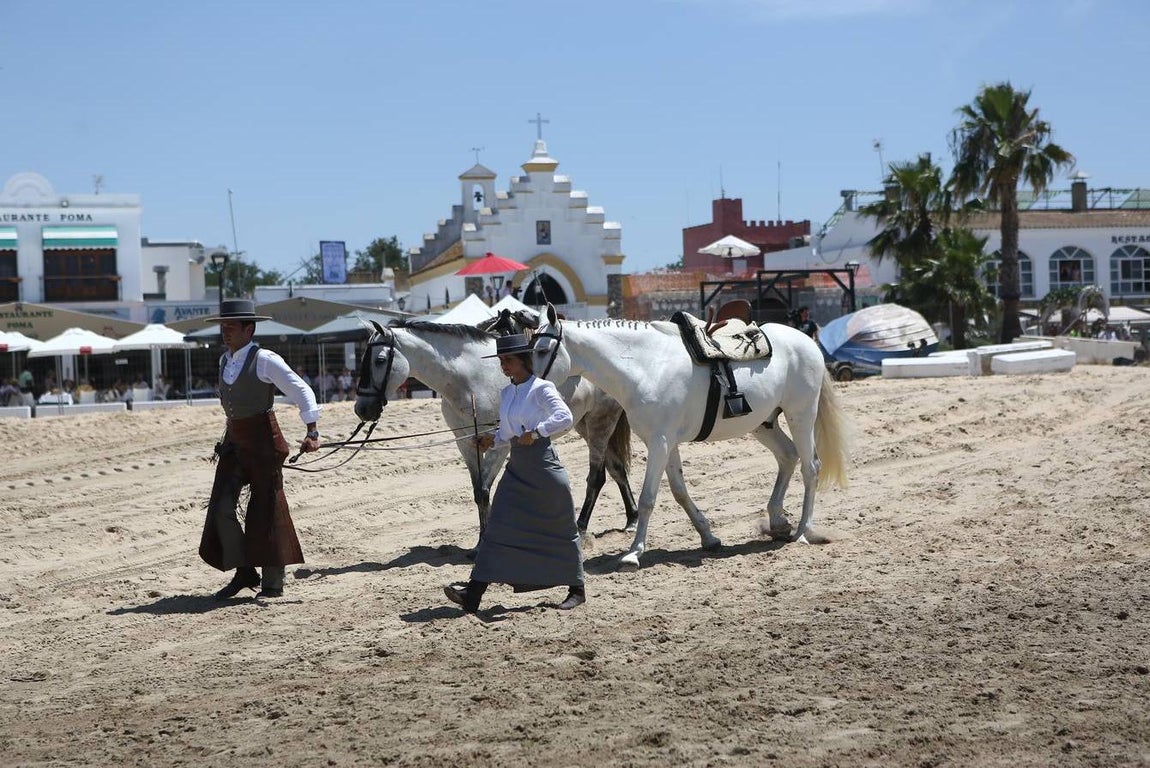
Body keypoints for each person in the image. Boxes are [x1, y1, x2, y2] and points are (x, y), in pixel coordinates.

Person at [444, 333, 585, 614]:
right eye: (500, 361)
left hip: (544, 468)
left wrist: (538, 431)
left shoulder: (542, 388)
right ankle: (473, 594)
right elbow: (508, 433)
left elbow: (564, 417)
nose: (503, 366)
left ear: (523, 360)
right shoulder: (507, 393)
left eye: (507, 360)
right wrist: (491, 440)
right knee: (496, 526)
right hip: (517, 469)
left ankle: (577, 589)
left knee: (561, 528)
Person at [199, 299, 321, 600]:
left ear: (249, 329)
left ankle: (273, 583)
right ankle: (244, 571)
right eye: (222, 326)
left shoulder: (265, 359)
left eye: (231, 327)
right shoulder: (224, 360)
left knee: (267, 511)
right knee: (221, 508)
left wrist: (312, 429)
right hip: (235, 443)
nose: (224, 331)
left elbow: (301, 389)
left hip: (265, 444)